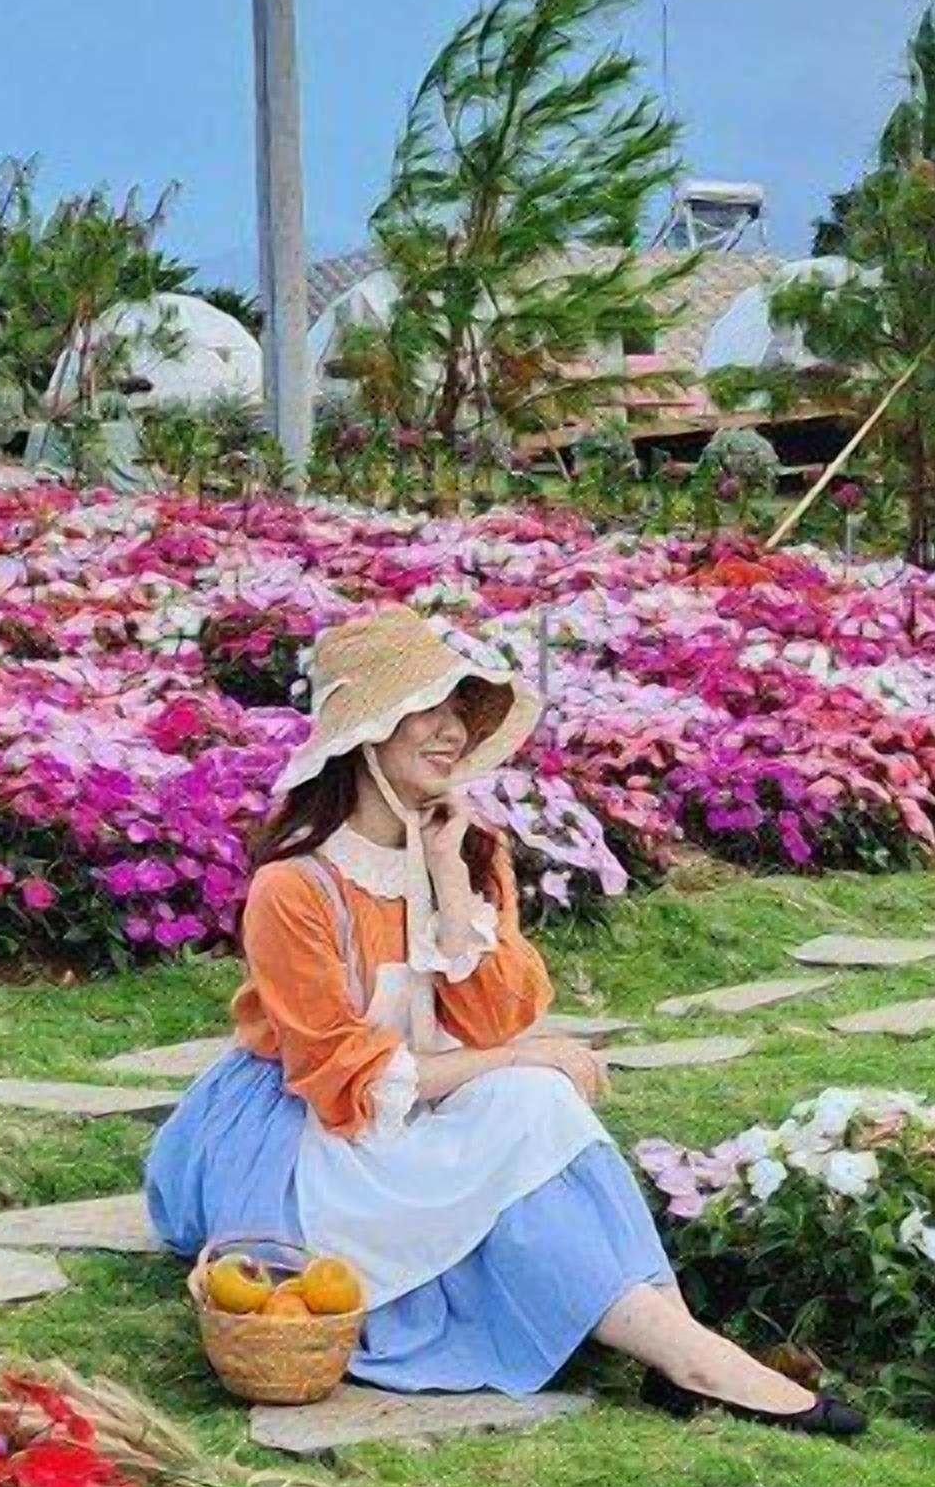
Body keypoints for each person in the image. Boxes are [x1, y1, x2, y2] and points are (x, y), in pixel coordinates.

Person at [145, 605, 861, 1431]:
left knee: (538, 1104)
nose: (452, 732)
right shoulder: (296, 890)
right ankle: (688, 1353)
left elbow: (495, 1020)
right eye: (428, 709)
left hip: (427, 1096)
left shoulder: (473, 859)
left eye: (462, 711)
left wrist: (451, 884)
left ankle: (685, 1348)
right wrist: (528, 1059)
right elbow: (345, 1079)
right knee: (531, 1092)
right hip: (314, 1128)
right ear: (366, 731)